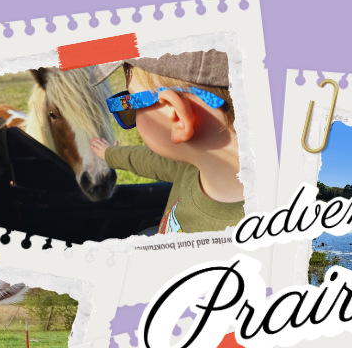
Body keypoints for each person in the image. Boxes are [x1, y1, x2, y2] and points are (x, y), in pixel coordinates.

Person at [89, 51, 244, 234]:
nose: (130, 114)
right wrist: (109, 154)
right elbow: (147, 160)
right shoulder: (193, 166)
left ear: (176, 116)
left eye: (129, 103)